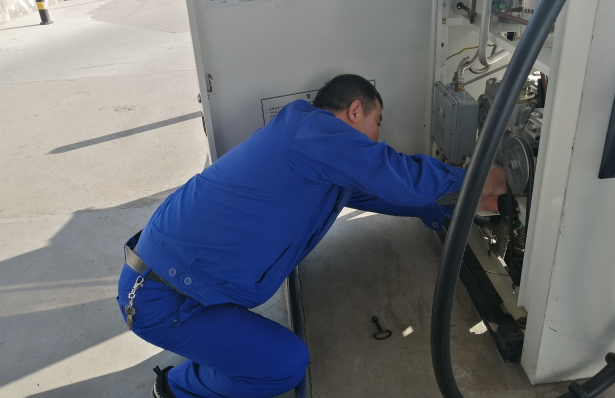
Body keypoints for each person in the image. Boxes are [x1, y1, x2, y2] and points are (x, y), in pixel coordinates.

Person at [116, 74, 505, 398]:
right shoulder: (310, 129)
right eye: (378, 121)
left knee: (267, 353)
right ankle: (175, 388)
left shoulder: (319, 159)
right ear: (355, 110)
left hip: (187, 284)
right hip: (160, 296)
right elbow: (394, 173)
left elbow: (388, 193)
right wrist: (481, 179)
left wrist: (460, 203)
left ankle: (212, 351)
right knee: (283, 365)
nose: (377, 137)